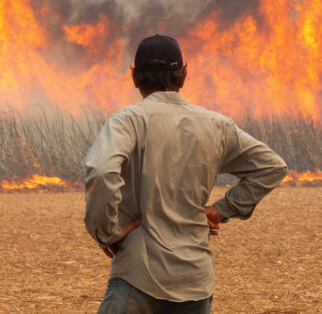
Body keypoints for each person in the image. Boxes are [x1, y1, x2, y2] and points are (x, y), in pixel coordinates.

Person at [84, 34, 288, 313]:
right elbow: (272, 167)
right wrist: (221, 210)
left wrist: (107, 233)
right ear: (183, 75)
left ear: (135, 78)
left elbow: (101, 170)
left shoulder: (127, 121)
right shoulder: (216, 125)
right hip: (195, 281)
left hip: (138, 275)